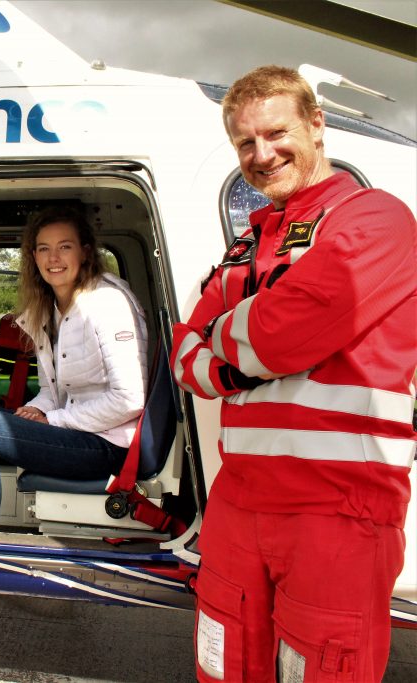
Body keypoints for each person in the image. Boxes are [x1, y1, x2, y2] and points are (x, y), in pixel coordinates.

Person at [171, 65, 417, 682]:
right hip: (238, 501)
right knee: (222, 664)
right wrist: (237, 356)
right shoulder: (246, 247)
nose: (262, 154)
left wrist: (229, 340)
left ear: (317, 124)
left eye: (276, 133)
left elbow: (280, 335)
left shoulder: (377, 220)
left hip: (337, 510)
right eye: (244, 143)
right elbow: (183, 356)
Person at [0, 205, 148, 531]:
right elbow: (54, 393)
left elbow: (130, 400)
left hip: (109, 444)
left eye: (64, 247)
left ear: (84, 252)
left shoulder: (107, 303)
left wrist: (52, 419)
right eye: (44, 249)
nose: (54, 258)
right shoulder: (48, 311)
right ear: (33, 257)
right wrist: (33, 410)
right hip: (75, 430)